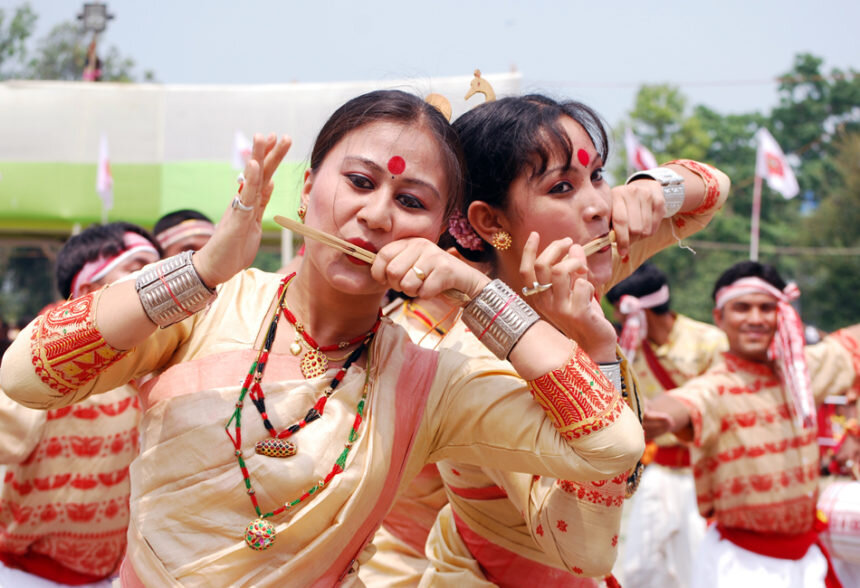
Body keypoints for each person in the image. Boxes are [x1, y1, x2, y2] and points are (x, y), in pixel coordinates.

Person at [0, 90, 644, 587]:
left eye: (412, 202)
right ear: (307, 190)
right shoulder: (207, 307)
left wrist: (480, 294)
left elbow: (612, 447)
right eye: (360, 182)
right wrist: (203, 268)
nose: (376, 215)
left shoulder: (432, 379)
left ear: (441, 233)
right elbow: (26, 374)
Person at [370, 95, 730, 587]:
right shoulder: (477, 366)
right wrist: (597, 349)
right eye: (563, 187)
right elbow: (586, 545)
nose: (600, 207)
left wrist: (652, 188)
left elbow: (712, 191)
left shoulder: (570, 273)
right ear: (491, 223)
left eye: (598, 176)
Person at [645, 260, 860, 588]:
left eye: (766, 308)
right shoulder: (716, 386)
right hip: (742, 565)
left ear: (783, 314)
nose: (756, 319)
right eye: (742, 308)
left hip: (806, 559)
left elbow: (851, 348)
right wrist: (651, 418)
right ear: (720, 317)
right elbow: (681, 403)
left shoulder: (804, 369)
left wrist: (856, 429)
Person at [0, 222, 160, 586]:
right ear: (89, 290)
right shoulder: (44, 363)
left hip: (112, 572)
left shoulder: (148, 361)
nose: (153, 277)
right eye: (137, 268)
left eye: (157, 264)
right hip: (31, 573)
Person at [606, 262, 727, 588]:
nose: (618, 322)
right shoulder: (622, 347)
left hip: (701, 472)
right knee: (642, 567)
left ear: (637, 311)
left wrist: (681, 417)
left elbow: (726, 404)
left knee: (698, 567)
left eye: (620, 315)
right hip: (657, 469)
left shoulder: (709, 342)